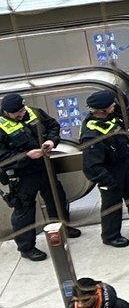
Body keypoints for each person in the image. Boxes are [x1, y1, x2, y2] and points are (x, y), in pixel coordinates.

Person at [0, 91, 79, 260]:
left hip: (44, 166)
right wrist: (26, 156)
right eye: (17, 113)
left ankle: (62, 227)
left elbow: (52, 126)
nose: (22, 114)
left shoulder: (33, 112)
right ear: (6, 113)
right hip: (22, 174)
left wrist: (51, 140)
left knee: (57, 198)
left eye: (22, 110)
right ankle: (27, 248)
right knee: (24, 209)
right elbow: (3, 157)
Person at [78, 89, 129, 247]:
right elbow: (91, 165)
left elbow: (126, 119)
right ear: (101, 110)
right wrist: (106, 181)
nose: (114, 106)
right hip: (109, 173)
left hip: (125, 165)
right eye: (111, 104)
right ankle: (110, 235)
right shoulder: (91, 134)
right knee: (112, 205)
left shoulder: (112, 118)